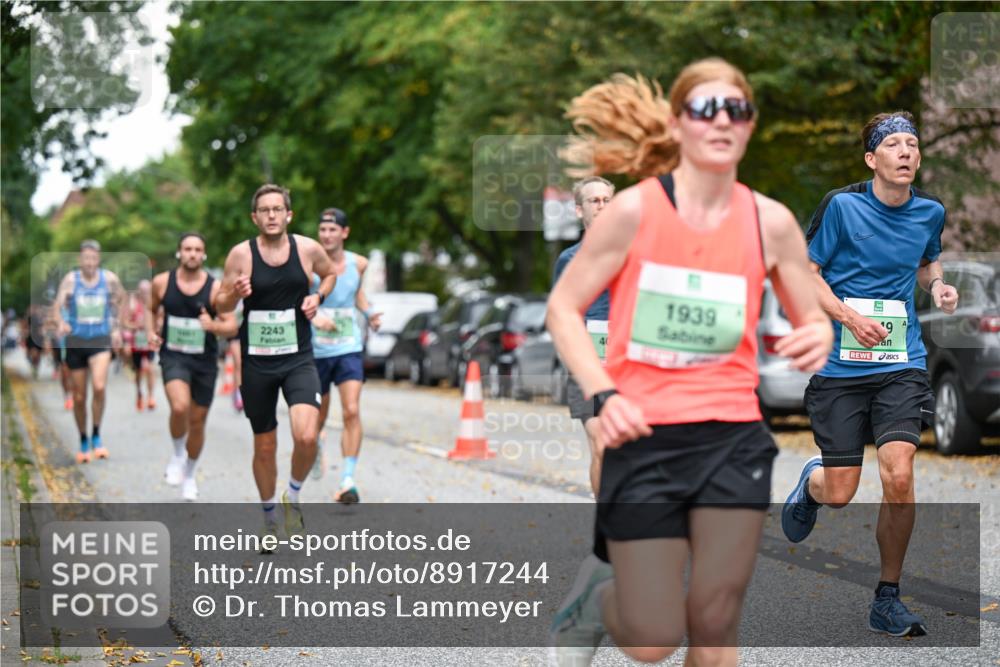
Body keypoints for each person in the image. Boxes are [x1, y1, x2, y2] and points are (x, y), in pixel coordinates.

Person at [546, 59, 832, 666]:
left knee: (715, 616)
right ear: (678, 125)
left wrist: (817, 336)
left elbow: (810, 317)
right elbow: (564, 311)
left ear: (750, 126)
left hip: (732, 438)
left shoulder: (771, 222)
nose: (723, 120)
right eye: (706, 109)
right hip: (646, 436)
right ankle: (599, 598)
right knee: (652, 641)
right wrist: (604, 394)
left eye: (738, 109)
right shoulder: (632, 214)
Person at [780, 111, 959, 638]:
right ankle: (812, 486)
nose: (906, 152)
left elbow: (928, 262)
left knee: (899, 473)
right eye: (895, 144)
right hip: (839, 367)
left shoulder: (930, 211)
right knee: (840, 492)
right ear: (871, 158)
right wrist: (851, 319)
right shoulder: (842, 206)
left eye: (914, 143)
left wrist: (940, 285)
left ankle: (888, 596)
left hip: (900, 363)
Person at [215, 184, 336, 542]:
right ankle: (269, 516)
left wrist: (318, 296)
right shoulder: (241, 255)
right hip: (257, 364)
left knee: (307, 434)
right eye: (264, 210)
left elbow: (329, 274)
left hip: (298, 357)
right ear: (255, 217)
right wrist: (234, 294)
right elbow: (220, 305)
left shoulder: (308, 249)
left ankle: (292, 497)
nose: (271, 215)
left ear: (288, 215)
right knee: (265, 445)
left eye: (277, 209)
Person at [148, 232, 238, 501]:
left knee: (198, 422)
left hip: (204, 361)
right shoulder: (162, 283)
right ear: (179, 252)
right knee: (179, 406)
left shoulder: (215, 288)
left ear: (204, 255)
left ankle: (189, 473)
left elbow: (231, 324)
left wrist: (214, 326)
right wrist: (152, 331)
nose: (192, 254)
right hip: (173, 356)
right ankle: (178, 454)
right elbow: (151, 309)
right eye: (187, 249)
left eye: (198, 249)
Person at [308, 208, 382, 503]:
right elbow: (297, 297)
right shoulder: (309, 264)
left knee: (351, 410)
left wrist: (370, 313)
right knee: (318, 416)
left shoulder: (358, 263)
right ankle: (315, 444)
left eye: (332, 230)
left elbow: (356, 294)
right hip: (316, 350)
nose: (326, 235)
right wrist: (315, 319)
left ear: (344, 233)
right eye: (322, 230)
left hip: (348, 346)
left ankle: (348, 479)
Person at [553, 177, 615, 497]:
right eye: (594, 201)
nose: (601, 206)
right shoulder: (568, 260)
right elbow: (559, 313)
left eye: (606, 200)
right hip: (586, 365)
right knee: (601, 444)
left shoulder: (631, 254)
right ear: (579, 210)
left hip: (625, 364)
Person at [52, 240, 128, 463]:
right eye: (86, 258)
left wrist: (116, 327)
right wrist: (60, 323)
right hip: (76, 342)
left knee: (99, 386)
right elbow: (57, 307)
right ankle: (83, 438)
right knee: (79, 396)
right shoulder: (71, 280)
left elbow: (122, 300)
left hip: (100, 340)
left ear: (98, 259)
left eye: (94, 258)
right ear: (80, 259)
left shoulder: (109, 279)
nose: (90, 262)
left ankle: (96, 434)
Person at [126, 280, 157, 411]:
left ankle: (151, 397)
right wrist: (135, 326)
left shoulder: (154, 305)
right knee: (139, 371)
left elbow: (160, 320)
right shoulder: (133, 305)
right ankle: (139, 393)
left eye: (147, 291)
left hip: (149, 343)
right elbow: (125, 322)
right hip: (137, 342)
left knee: (150, 369)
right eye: (143, 292)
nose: (145, 294)